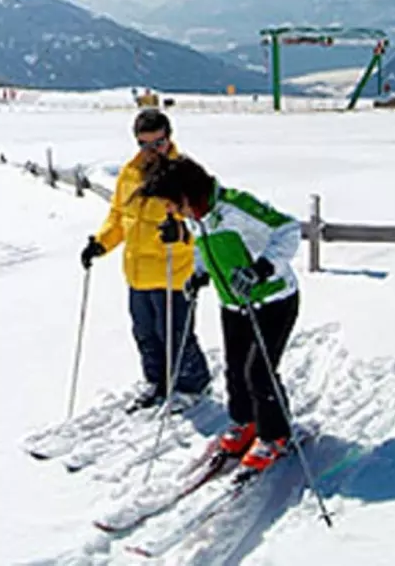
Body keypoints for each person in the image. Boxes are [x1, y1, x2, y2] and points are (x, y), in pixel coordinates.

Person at [141, 155, 302, 474]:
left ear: (187, 194)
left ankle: (276, 434)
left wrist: (262, 269)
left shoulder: (234, 207)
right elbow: (204, 250)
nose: (170, 211)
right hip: (233, 303)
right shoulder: (196, 217)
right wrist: (199, 274)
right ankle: (246, 422)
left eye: (171, 203)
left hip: (272, 301)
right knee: (235, 368)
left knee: (259, 371)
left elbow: (288, 229)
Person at [79, 108, 212, 410]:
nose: (152, 150)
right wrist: (100, 244)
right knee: (145, 332)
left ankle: (193, 384)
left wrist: (179, 231)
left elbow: (204, 223)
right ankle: (156, 381)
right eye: (145, 144)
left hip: (174, 273)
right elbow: (119, 217)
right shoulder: (130, 173)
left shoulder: (185, 173)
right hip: (137, 272)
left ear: (169, 138)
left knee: (176, 333)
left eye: (158, 143)